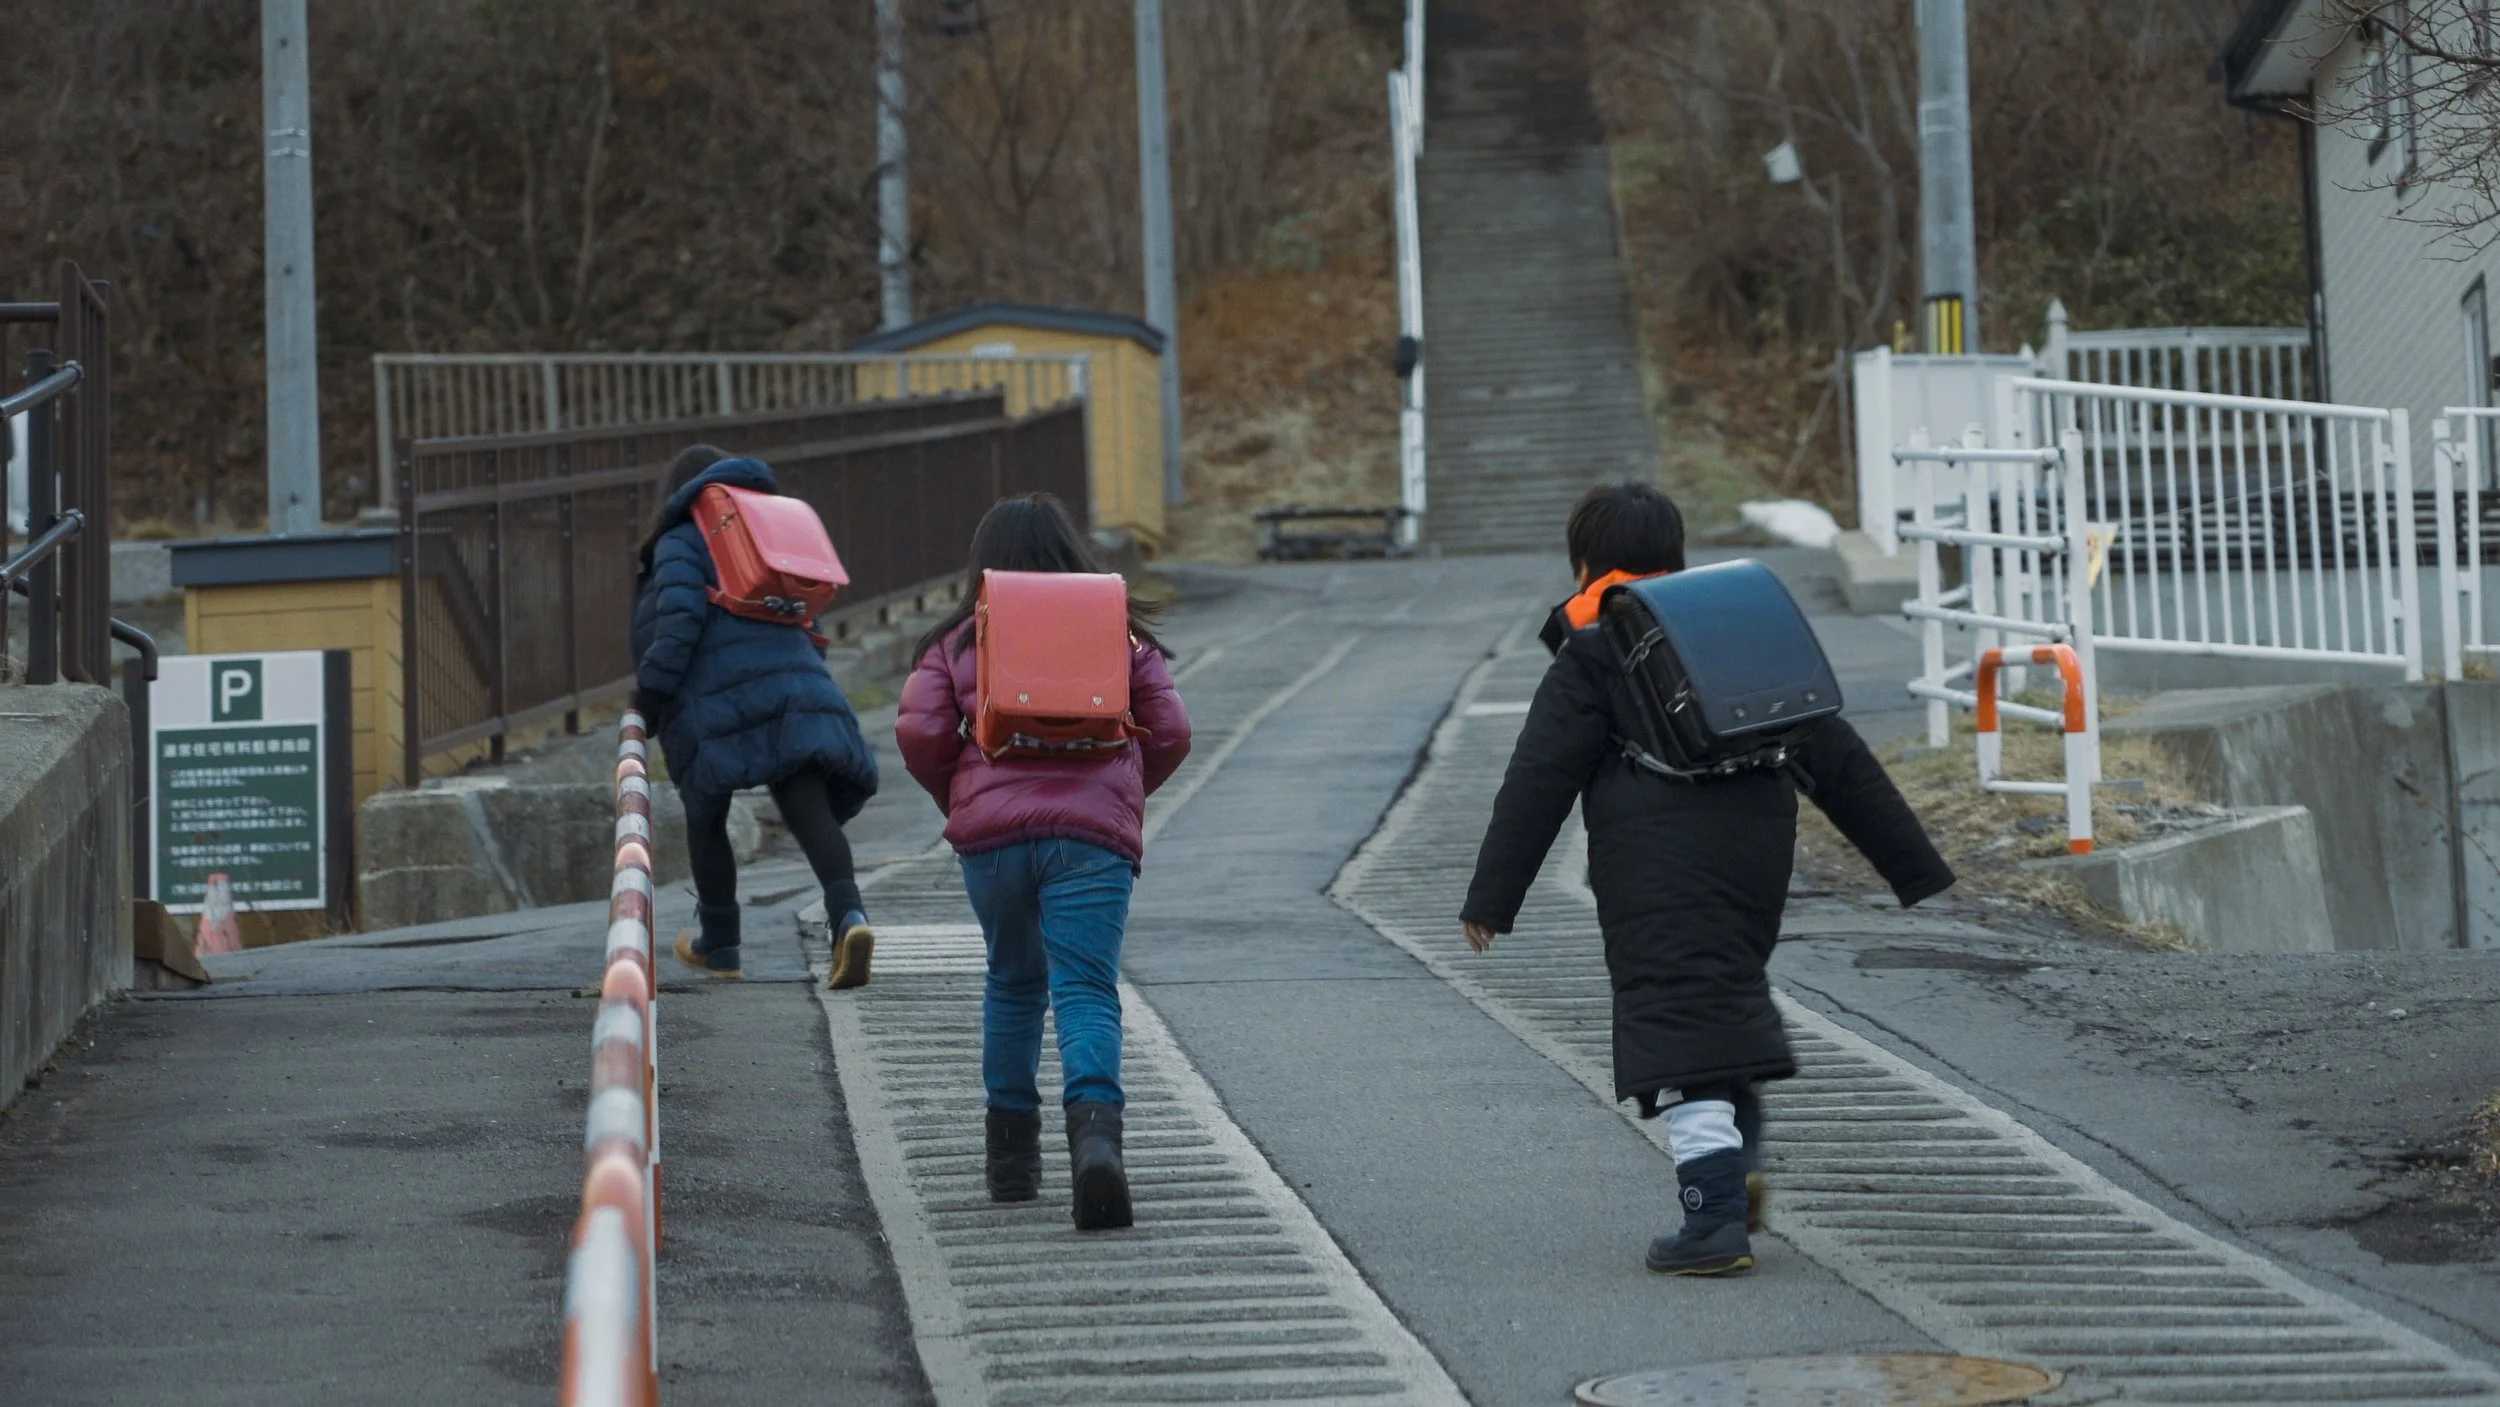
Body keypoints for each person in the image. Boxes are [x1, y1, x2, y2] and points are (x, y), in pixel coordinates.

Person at [1460, 481, 1954, 1276]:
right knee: (1717, 995)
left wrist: (1493, 898)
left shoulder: (1598, 650)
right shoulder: (1739, 633)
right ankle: (1741, 1160)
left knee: (1680, 1019)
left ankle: (1712, 1217)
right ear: (1677, 559)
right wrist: (1912, 864)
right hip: (1756, 850)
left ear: (1587, 564)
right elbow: (1833, 750)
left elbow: (1538, 778)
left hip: (1653, 858)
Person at [895, 494, 1191, 1231]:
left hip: (993, 845)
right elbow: (1172, 729)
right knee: (1086, 987)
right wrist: (1115, 795)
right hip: (1091, 843)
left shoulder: (960, 639)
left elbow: (922, 731)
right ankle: (1095, 1144)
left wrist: (964, 800)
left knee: (1012, 982)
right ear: (1071, 551)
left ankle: (1011, 1162)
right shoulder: (1116, 631)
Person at [632, 445, 880, 986]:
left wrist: (649, 697)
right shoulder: (766, 533)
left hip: (718, 697)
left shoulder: (681, 539)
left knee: (706, 811)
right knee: (804, 802)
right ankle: (850, 918)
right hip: (795, 680)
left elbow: (678, 621)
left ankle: (721, 945)